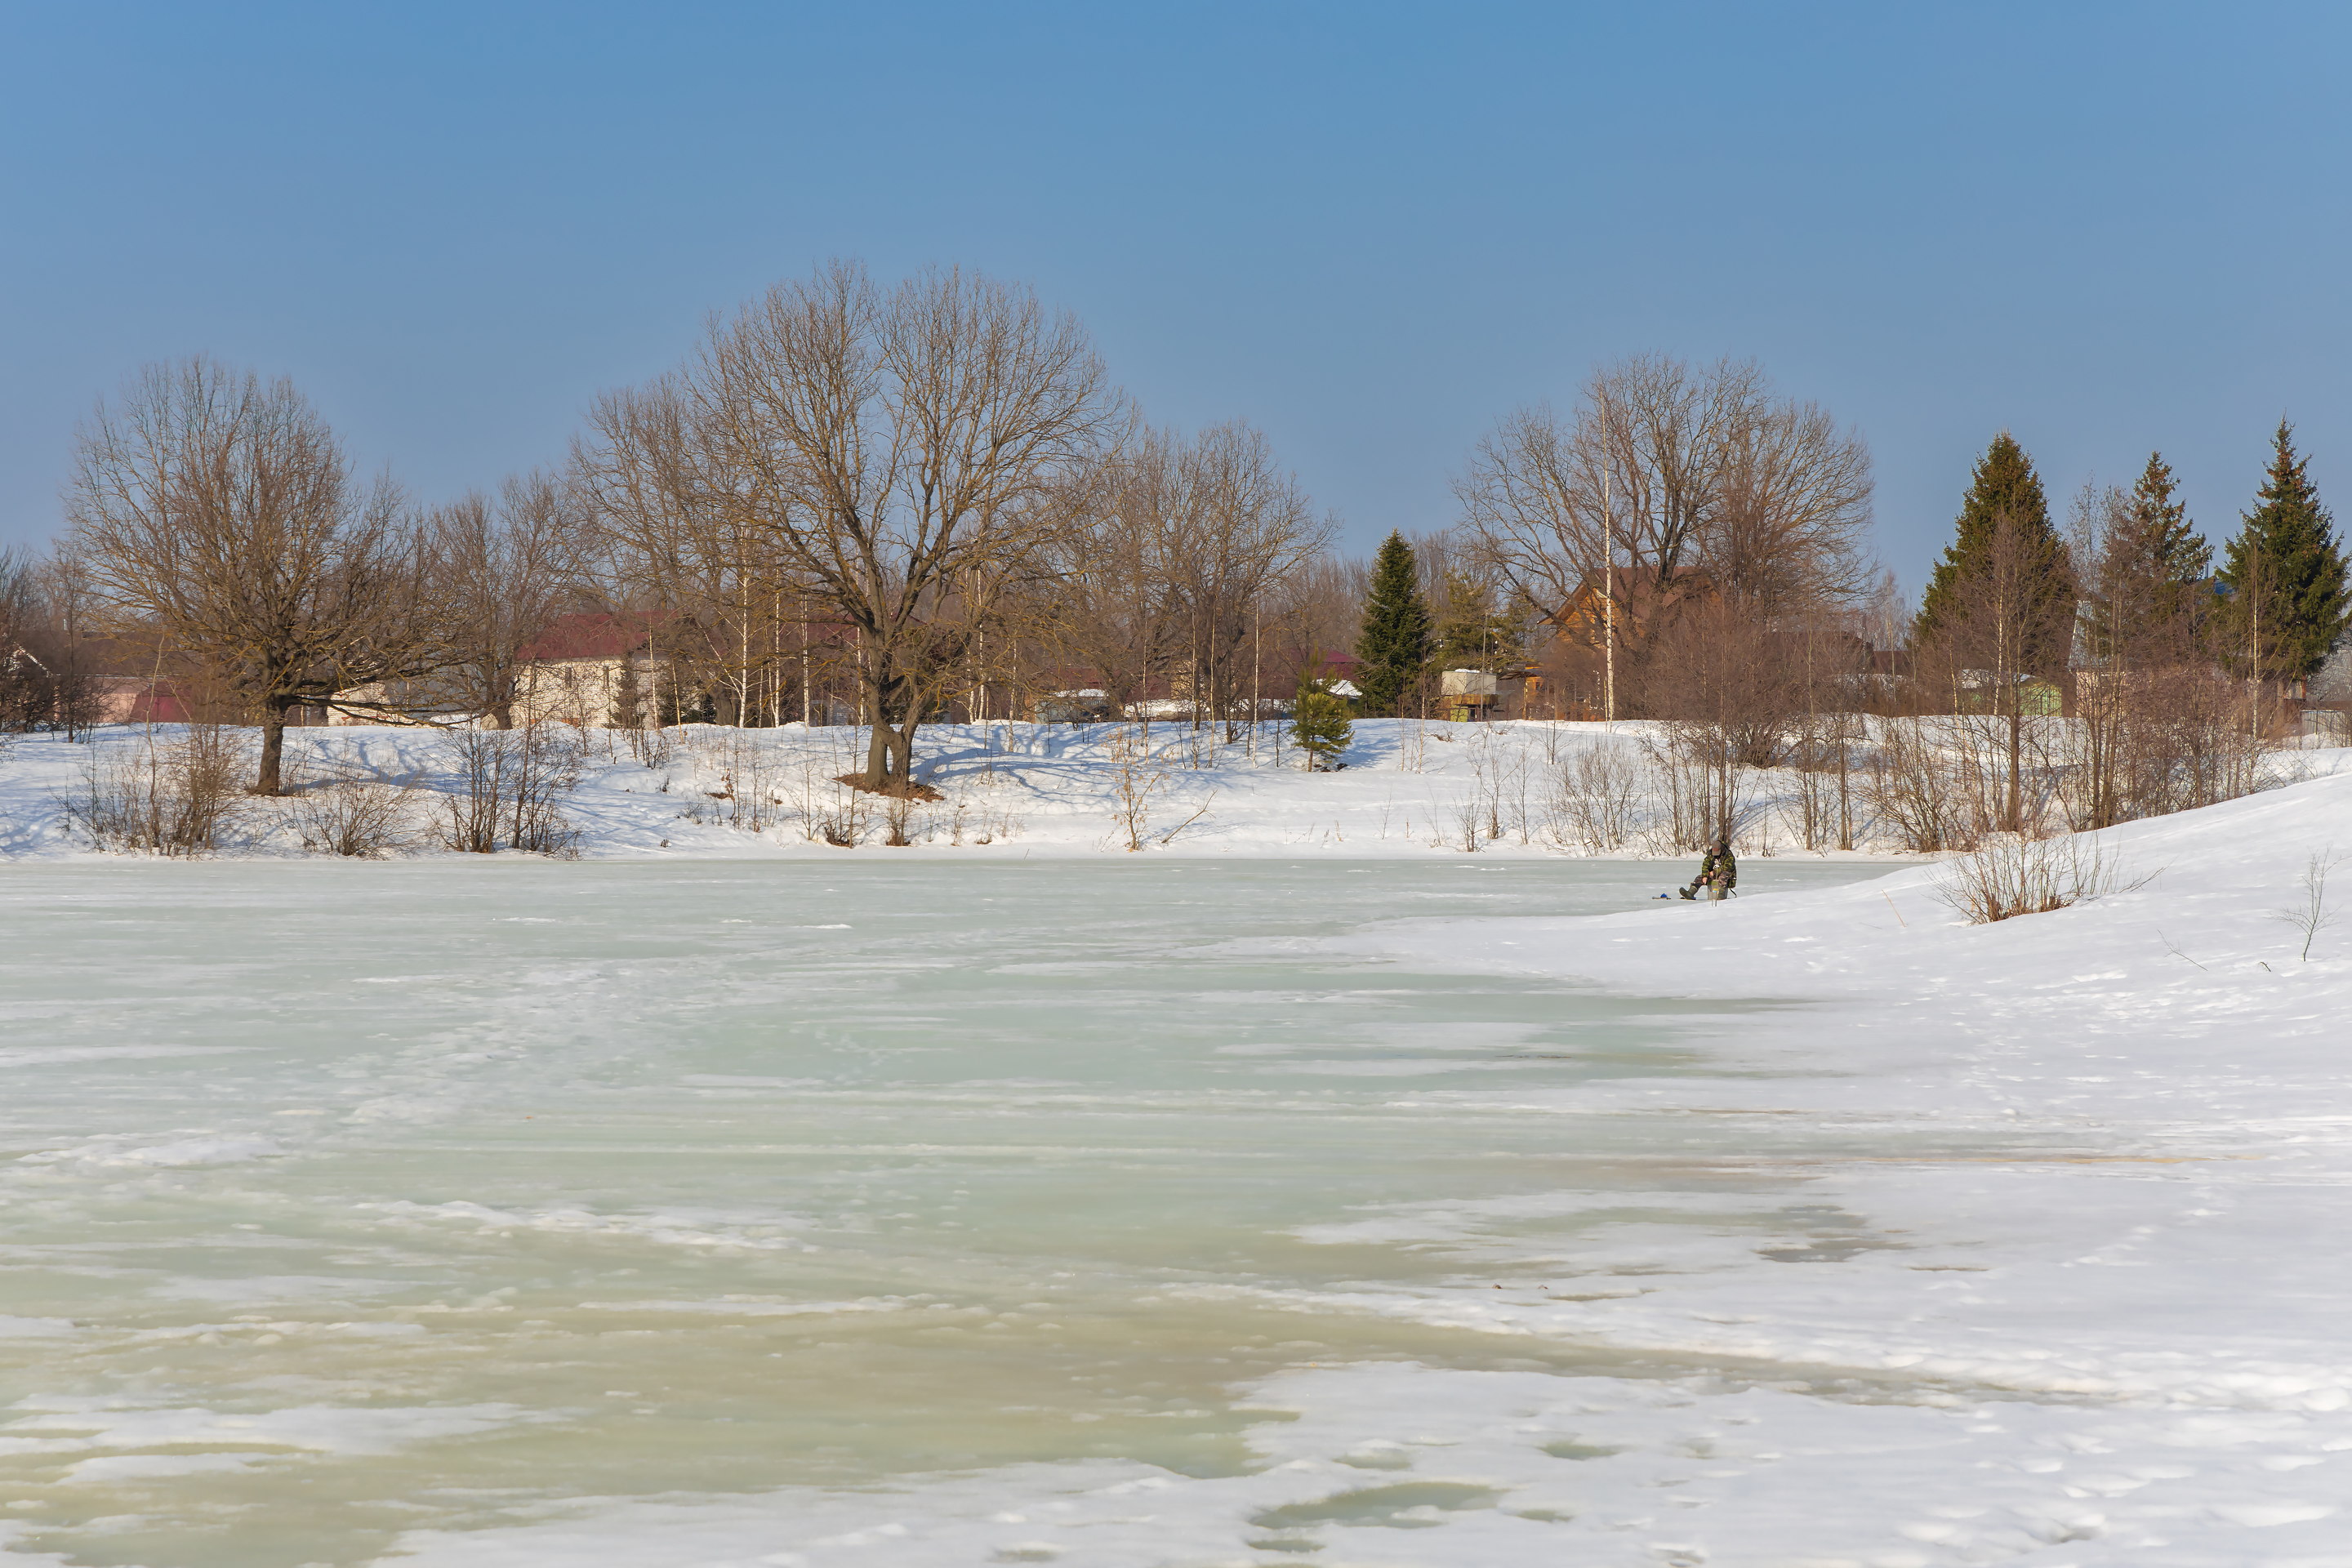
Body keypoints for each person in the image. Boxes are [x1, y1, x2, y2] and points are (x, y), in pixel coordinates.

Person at [1683, 835, 1736, 902]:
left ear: (1721, 849)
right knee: (1699, 877)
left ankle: (1721, 896)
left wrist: (1714, 872)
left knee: (1724, 875)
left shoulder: (1729, 855)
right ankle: (1690, 893)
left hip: (1728, 877)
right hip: (1713, 875)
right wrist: (1705, 875)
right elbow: (1705, 865)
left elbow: (1727, 868)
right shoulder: (1710, 854)